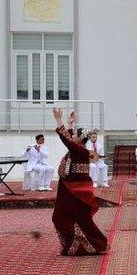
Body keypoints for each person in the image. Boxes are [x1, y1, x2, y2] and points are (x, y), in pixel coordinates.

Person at [50, 109, 108, 256]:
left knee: (66, 218)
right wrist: (70, 123)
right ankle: (82, 244)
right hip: (69, 189)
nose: (72, 136)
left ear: (80, 139)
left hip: (75, 191)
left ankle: (89, 244)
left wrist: (59, 120)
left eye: (75, 134)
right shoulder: (78, 149)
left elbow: (67, 140)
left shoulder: (80, 151)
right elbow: (69, 138)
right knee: (72, 218)